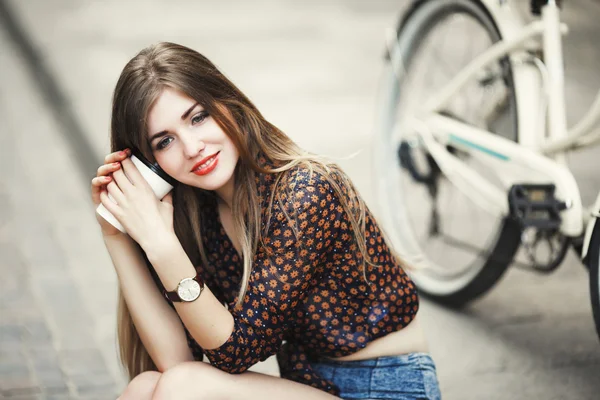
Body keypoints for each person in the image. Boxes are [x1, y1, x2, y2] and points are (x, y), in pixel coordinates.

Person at [91, 42, 441, 400]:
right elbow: (177, 360)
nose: (192, 147)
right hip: (309, 387)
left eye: (198, 118)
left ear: (227, 104)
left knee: (184, 388)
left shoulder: (306, 192)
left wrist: (162, 247)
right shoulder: (201, 214)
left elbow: (233, 352)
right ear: (149, 166)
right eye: (165, 142)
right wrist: (116, 235)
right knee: (145, 388)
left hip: (390, 385)